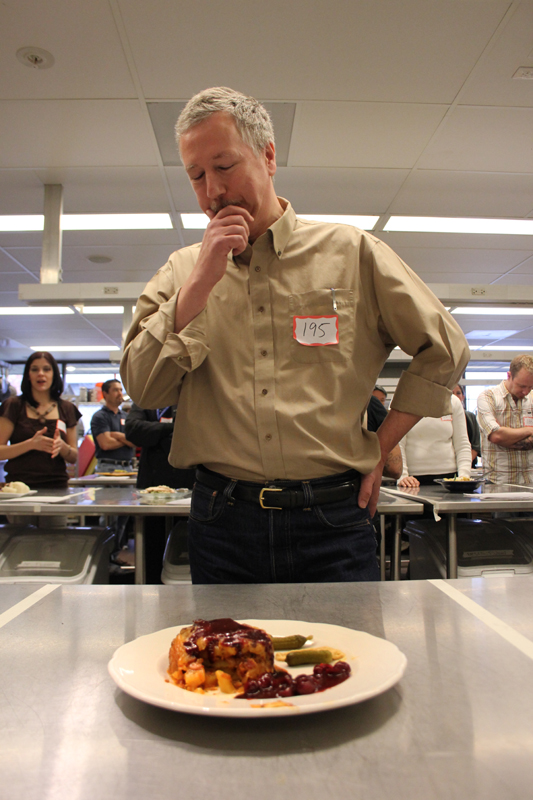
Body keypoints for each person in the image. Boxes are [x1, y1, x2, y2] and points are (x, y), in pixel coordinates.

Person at [121, 86, 469, 584]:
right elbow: (143, 386)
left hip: (334, 518)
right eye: (196, 176)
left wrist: (378, 448)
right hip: (223, 521)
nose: (213, 191)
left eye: (224, 166)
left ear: (267, 156)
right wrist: (198, 286)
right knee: (226, 663)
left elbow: (447, 350)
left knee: (348, 660)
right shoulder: (180, 272)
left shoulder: (352, 253)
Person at [124, 404, 196, 583]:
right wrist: (172, 429)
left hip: (190, 489)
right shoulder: (145, 401)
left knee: (187, 549)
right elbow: (133, 430)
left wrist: (155, 434)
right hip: (152, 493)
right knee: (152, 550)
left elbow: (200, 431)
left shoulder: (192, 396)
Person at [0, 351, 80, 489]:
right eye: (35, 369)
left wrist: (62, 446)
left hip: (57, 486)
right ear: (28, 375)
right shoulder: (13, 405)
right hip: (19, 487)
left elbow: (73, 457)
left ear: (54, 374)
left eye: (46, 369)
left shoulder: (67, 408)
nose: (41, 374)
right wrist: (30, 444)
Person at [477, 355, 533, 485]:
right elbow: (496, 436)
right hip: (497, 481)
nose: (526, 391)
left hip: (529, 481)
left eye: (530, 387)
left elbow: (501, 436)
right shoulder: (488, 397)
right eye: (521, 386)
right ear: (509, 376)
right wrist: (529, 430)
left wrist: (507, 437)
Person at [397, 393, 471, 487]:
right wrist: (402, 475)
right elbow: (397, 444)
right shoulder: (402, 400)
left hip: (450, 478)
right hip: (412, 480)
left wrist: (464, 476)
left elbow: (462, 444)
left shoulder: (453, 401)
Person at [90, 379, 135, 472]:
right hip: (108, 468)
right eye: (115, 390)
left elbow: (135, 442)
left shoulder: (127, 417)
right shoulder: (100, 416)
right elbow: (106, 444)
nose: (120, 393)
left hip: (128, 468)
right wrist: (127, 440)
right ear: (105, 394)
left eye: (121, 390)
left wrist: (117, 435)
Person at [452, 384, 480, 468]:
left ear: (463, 397)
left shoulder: (470, 417)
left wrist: (463, 465)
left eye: (458, 393)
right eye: (452, 393)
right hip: (448, 467)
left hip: (467, 466)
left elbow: (476, 446)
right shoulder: (442, 417)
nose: (455, 396)